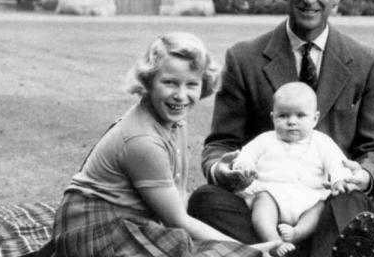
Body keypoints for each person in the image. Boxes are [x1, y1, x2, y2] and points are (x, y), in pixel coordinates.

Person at [188, 0, 374, 257]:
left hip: (330, 204)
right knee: (205, 201)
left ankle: (283, 251)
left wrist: (363, 175)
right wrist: (225, 171)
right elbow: (220, 143)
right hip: (263, 205)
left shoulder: (366, 62)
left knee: (355, 203)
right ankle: (300, 248)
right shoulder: (244, 58)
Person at [50, 32, 275, 257]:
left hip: (129, 222)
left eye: (192, 85)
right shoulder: (143, 141)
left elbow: (178, 195)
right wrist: (246, 251)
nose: (181, 95)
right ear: (148, 81)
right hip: (95, 228)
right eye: (170, 83)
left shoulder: (174, 120)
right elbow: (177, 220)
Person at [231, 82, 355, 256]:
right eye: (283, 116)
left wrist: (339, 179)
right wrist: (244, 165)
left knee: (320, 208)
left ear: (315, 118)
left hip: (309, 197)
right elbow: (246, 155)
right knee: (262, 203)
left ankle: (296, 234)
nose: (291, 122)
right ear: (273, 117)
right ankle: (272, 239)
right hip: (273, 193)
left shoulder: (322, 142)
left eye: (300, 116)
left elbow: (337, 162)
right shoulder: (265, 140)